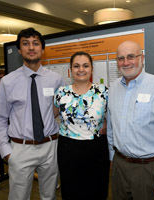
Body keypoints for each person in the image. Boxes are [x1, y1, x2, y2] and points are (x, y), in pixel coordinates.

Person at [0, 27, 63, 200]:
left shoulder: (56, 79)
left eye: (36, 43)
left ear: (42, 49)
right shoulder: (8, 82)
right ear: (19, 50)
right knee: (19, 197)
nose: (31, 48)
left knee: (49, 196)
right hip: (20, 149)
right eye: (26, 44)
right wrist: (6, 151)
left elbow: (60, 111)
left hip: (50, 147)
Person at [107, 40, 154, 200]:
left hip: (149, 168)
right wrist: (112, 158)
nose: (126, 62)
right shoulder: (113, 88)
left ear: (142, 58)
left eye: (131, 56)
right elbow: (111, 127)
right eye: (121, 58)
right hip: (120, 165)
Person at [54, 51, 110, 200]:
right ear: (70, 70)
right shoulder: (61, 92)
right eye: (76, 66)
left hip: (97, 148)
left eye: (85, 66)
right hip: (68, 149)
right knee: (71, 192)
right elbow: (52, 114)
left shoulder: (103, 92)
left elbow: (111, 117)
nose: (81, 70)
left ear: (91, 69)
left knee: (97, 191)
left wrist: (105, 123)